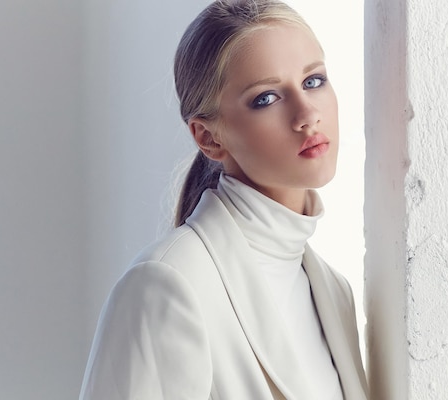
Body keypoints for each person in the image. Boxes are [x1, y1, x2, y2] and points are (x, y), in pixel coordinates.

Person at [79, 0, 368, 398]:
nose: (307, 114)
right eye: (266, 98)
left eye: (313, 81)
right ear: (208, 137)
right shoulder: (167, 284)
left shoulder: (335, 294)